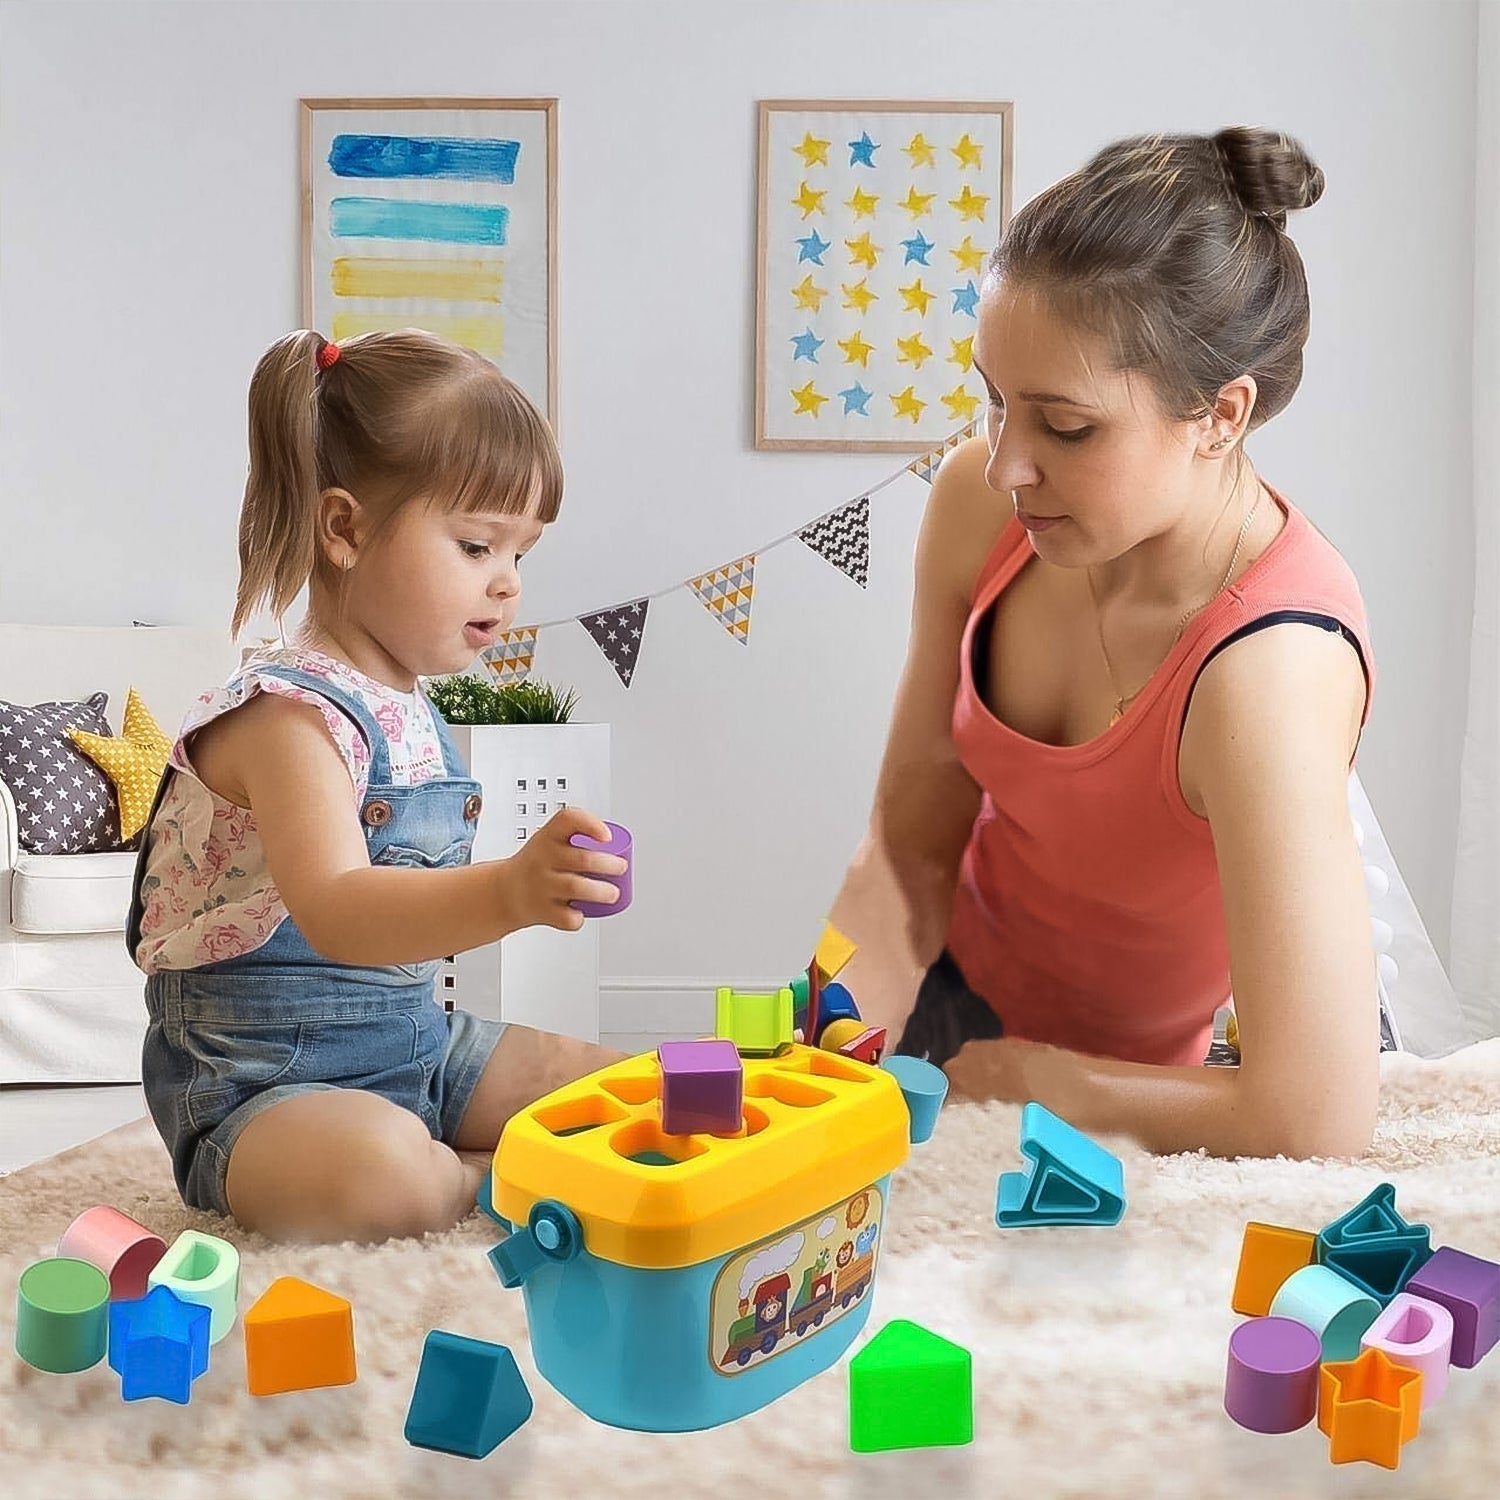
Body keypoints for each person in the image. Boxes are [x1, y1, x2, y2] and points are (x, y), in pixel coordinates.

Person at [824, 127, 1379, 1160]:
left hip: (1141, 1095)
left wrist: (1025, 1081)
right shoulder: (975, 509)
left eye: (1065, 428)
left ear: (1220, 415)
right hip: (940, 1003)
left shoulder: (1268, 670)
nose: (1003, 467)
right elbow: (912, 825)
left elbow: (1317, 1116)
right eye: (994, 403)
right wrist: (835, 1014)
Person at [128, 329, 629, 1242]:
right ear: (346, 528)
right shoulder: (287, 717)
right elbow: (341, 909)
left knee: (626, 1092)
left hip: (415, 1048)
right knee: (384, 1181)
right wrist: (512, 889)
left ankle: (477, 1155)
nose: (509, 585)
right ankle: (480, 1182)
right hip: (264, 1087)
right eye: (478, 546)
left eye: (522, 555)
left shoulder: (410, 711)